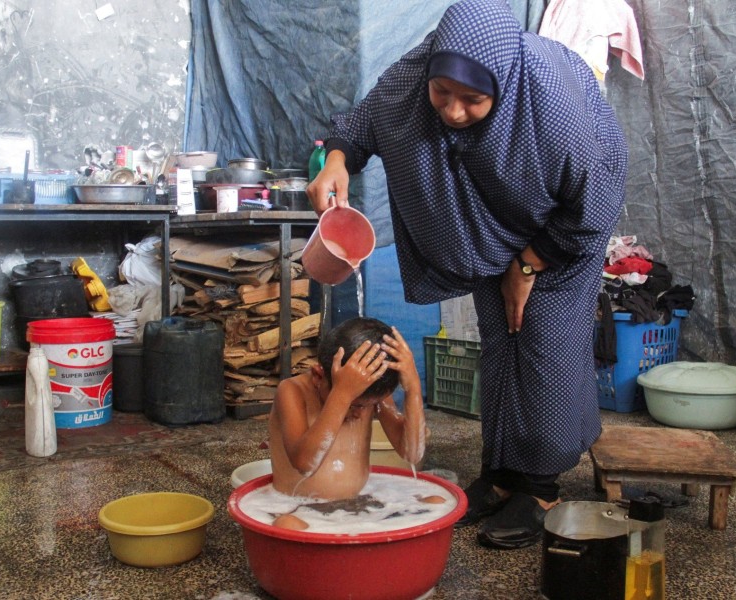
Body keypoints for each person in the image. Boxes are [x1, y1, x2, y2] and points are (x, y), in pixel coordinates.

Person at [306, 0, 628, 549]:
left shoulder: (553, 102)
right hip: (489, 230)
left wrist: (529, 263)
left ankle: (541, 484)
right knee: (501, 347)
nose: (452, 112)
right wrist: (337, 157)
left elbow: (595, 201)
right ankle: (502, 475)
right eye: (442, 94)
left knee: (545, 348)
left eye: (473, 100)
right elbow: (362, 124)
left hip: (561, 235)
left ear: (502, 84)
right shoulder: (417, 72)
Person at [269, 317, 426, 501]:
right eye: (355, 405)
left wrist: (413, 388)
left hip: (354, 508)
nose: (360, 414)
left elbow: (412, 454)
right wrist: (342, 395)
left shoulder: (369, 393)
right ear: (318, 376)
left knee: (435, 504)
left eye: (366, 406)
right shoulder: (292, 391)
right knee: (287, 523)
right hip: (295, 506)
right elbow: (304, 464)